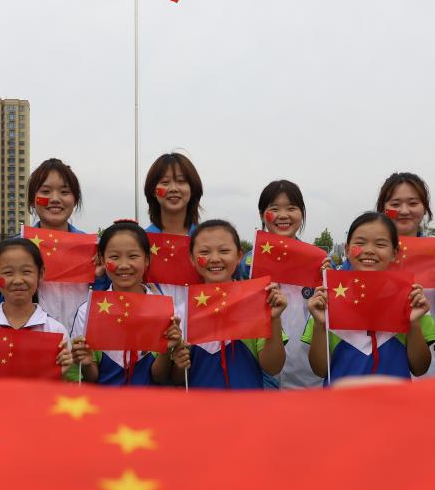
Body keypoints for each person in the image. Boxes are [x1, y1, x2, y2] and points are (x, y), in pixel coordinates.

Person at [305, 212, 435, 384]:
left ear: (395, 252)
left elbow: (420, 368)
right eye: (360, 243)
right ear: (347, 250)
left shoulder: (412, 298)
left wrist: (413, 324)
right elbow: (320, 369)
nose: (369, 251)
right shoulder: (326, 298)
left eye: (380, 244)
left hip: (396, 399)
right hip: (339, 399)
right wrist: (320, 325)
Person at [70, 221, 186, 385]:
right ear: (102, 260)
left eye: (133, 256)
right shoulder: (88, 310)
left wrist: (166, 351)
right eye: (114, 257)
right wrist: (87, 363)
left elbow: (159, 377)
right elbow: (91, 378)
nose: (124, 265)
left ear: (147, 259)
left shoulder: (167, 311)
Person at [239, 180, 325, 389]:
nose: (283, 215)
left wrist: (328, 278)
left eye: (291, 208)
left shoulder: (318, 261)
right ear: (262, 214)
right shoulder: (248, 264)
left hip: (308, 374)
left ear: (302, 213)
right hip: (263, 375)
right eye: (274, 209)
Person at [184, 220, 286, 389]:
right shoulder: (183, 310)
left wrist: (274, 320)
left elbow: (273, 367)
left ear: (239, 256)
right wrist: (179, 359)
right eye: (204, 252)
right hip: (199, 405)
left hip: (248, 404)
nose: (215, 259)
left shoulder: (257, 302)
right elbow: (176, 376)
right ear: (192, 259)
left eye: (224, 251)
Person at [0, 238, 73, 381]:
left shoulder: (56, 331)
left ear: (40, 274)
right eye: (8, 273)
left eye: (26, 272)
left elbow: (71, 386)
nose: (17, 280)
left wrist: (63, 373)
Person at [16, 158, 102, 332]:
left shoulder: (93, 248)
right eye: (45, 191)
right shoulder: (16, 248)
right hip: (33, 341)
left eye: (64, 192)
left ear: (75, 200)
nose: (55, 199)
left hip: (81, 343)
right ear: (32, 200)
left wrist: (100, 278)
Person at [374, 172, 435, 319]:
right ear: (382, 209)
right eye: (395, 204)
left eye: (413, 203)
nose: (404, 211)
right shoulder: (368, 253)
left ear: (424, 208)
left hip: (427, 334)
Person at [143, 152, 206, 335]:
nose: (173, 188)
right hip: (152, 335)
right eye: (165, 182)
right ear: (153, 190)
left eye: (181, 181)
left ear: (192, 188)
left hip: (200, 335)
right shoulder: (140, 241)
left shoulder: (207, 242)